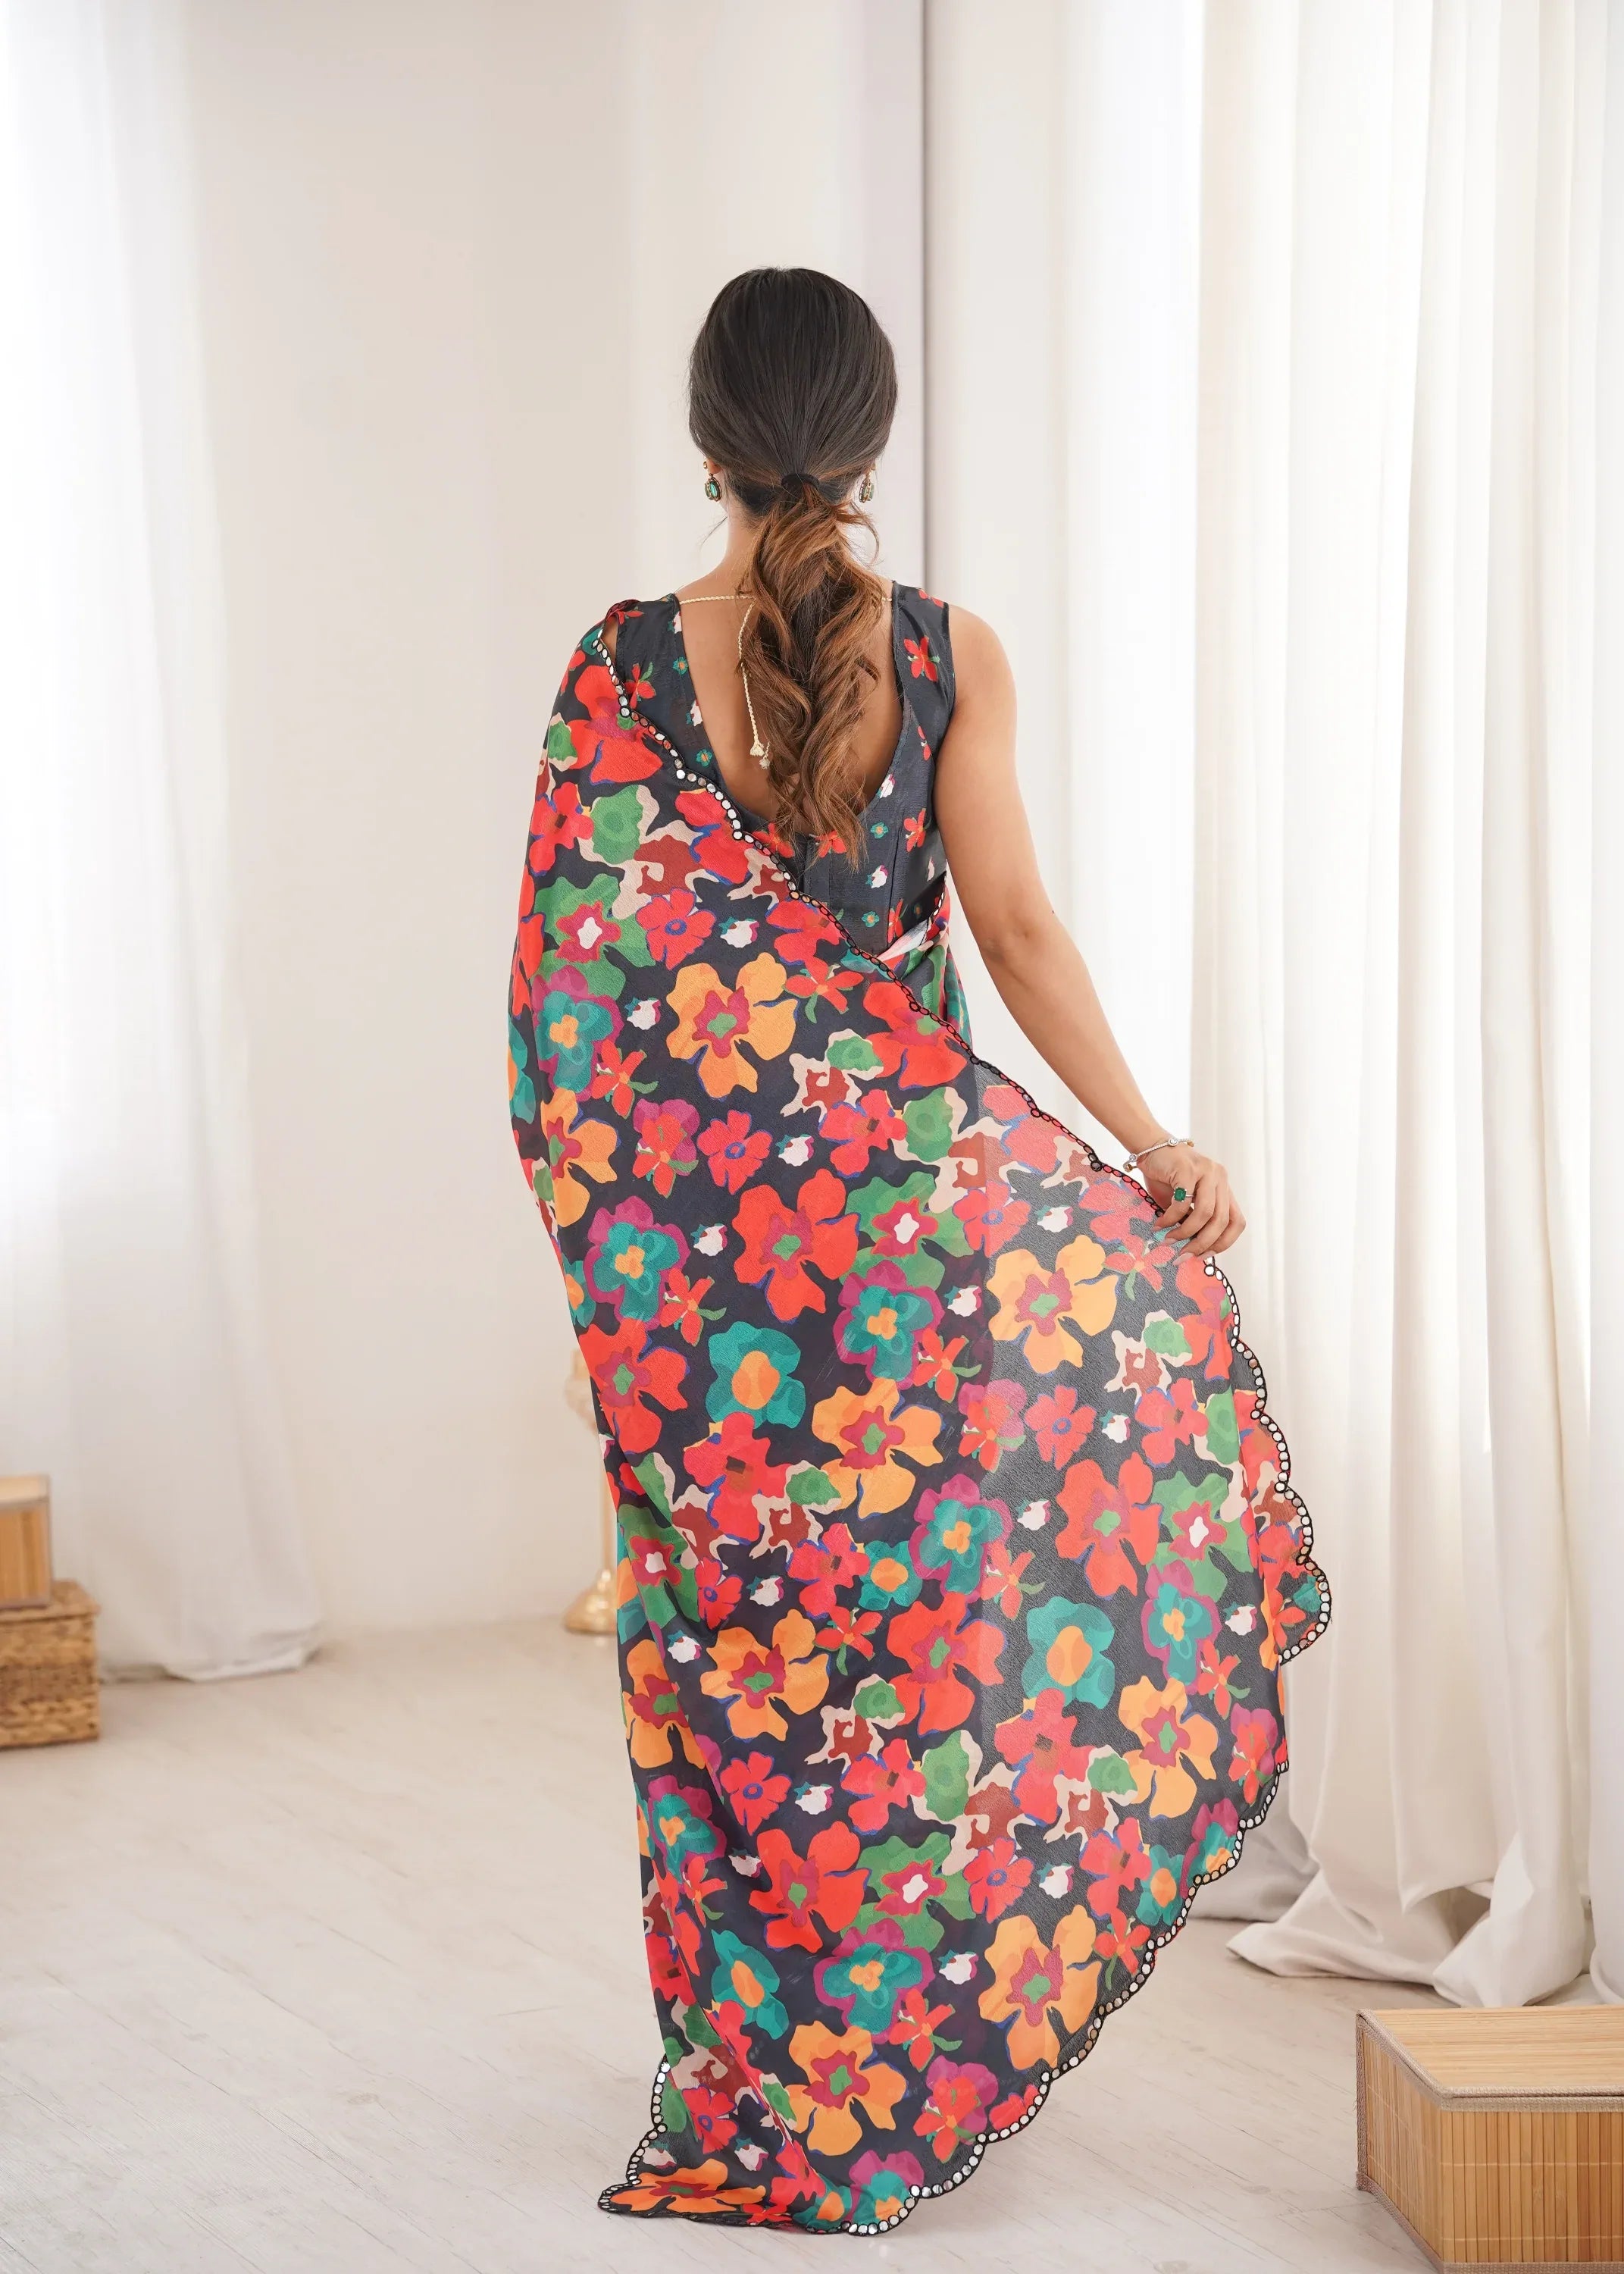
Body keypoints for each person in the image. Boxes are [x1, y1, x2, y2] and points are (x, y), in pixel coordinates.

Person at [508, 267, 1328, 2235]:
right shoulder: (948, 655)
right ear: (870, 445)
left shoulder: (620, 666)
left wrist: (620, 1257)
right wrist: (1151, 1148)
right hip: (916, 1249)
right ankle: (912, 2039)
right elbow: (1020, 932)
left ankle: (765, 2066)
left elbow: (583, 989)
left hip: (713, 1278)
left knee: (743, 1667)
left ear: (708, 439)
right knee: (915, 1646)